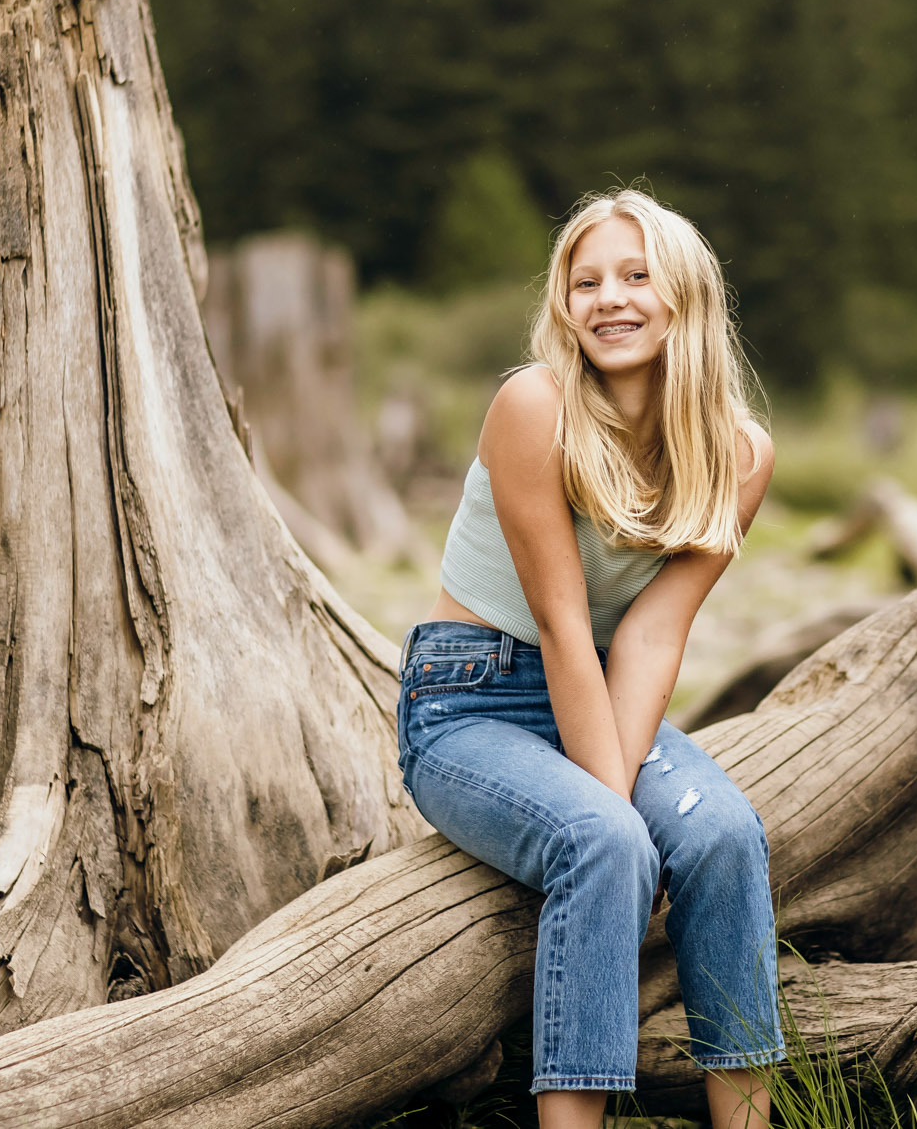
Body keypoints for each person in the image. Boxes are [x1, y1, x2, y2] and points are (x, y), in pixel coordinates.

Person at [396, 187, 782, 1129]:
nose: (610, 298)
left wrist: (620, 781)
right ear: (564, 306)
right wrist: (617, 810)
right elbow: (564, 623)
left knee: (726, 835)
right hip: (471, 700)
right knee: (604, 842)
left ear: (684, 296)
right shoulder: (535, 407)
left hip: (600, 693)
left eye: (636, 276)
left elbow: (652, 633)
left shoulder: (738, 453)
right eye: (587, 281)